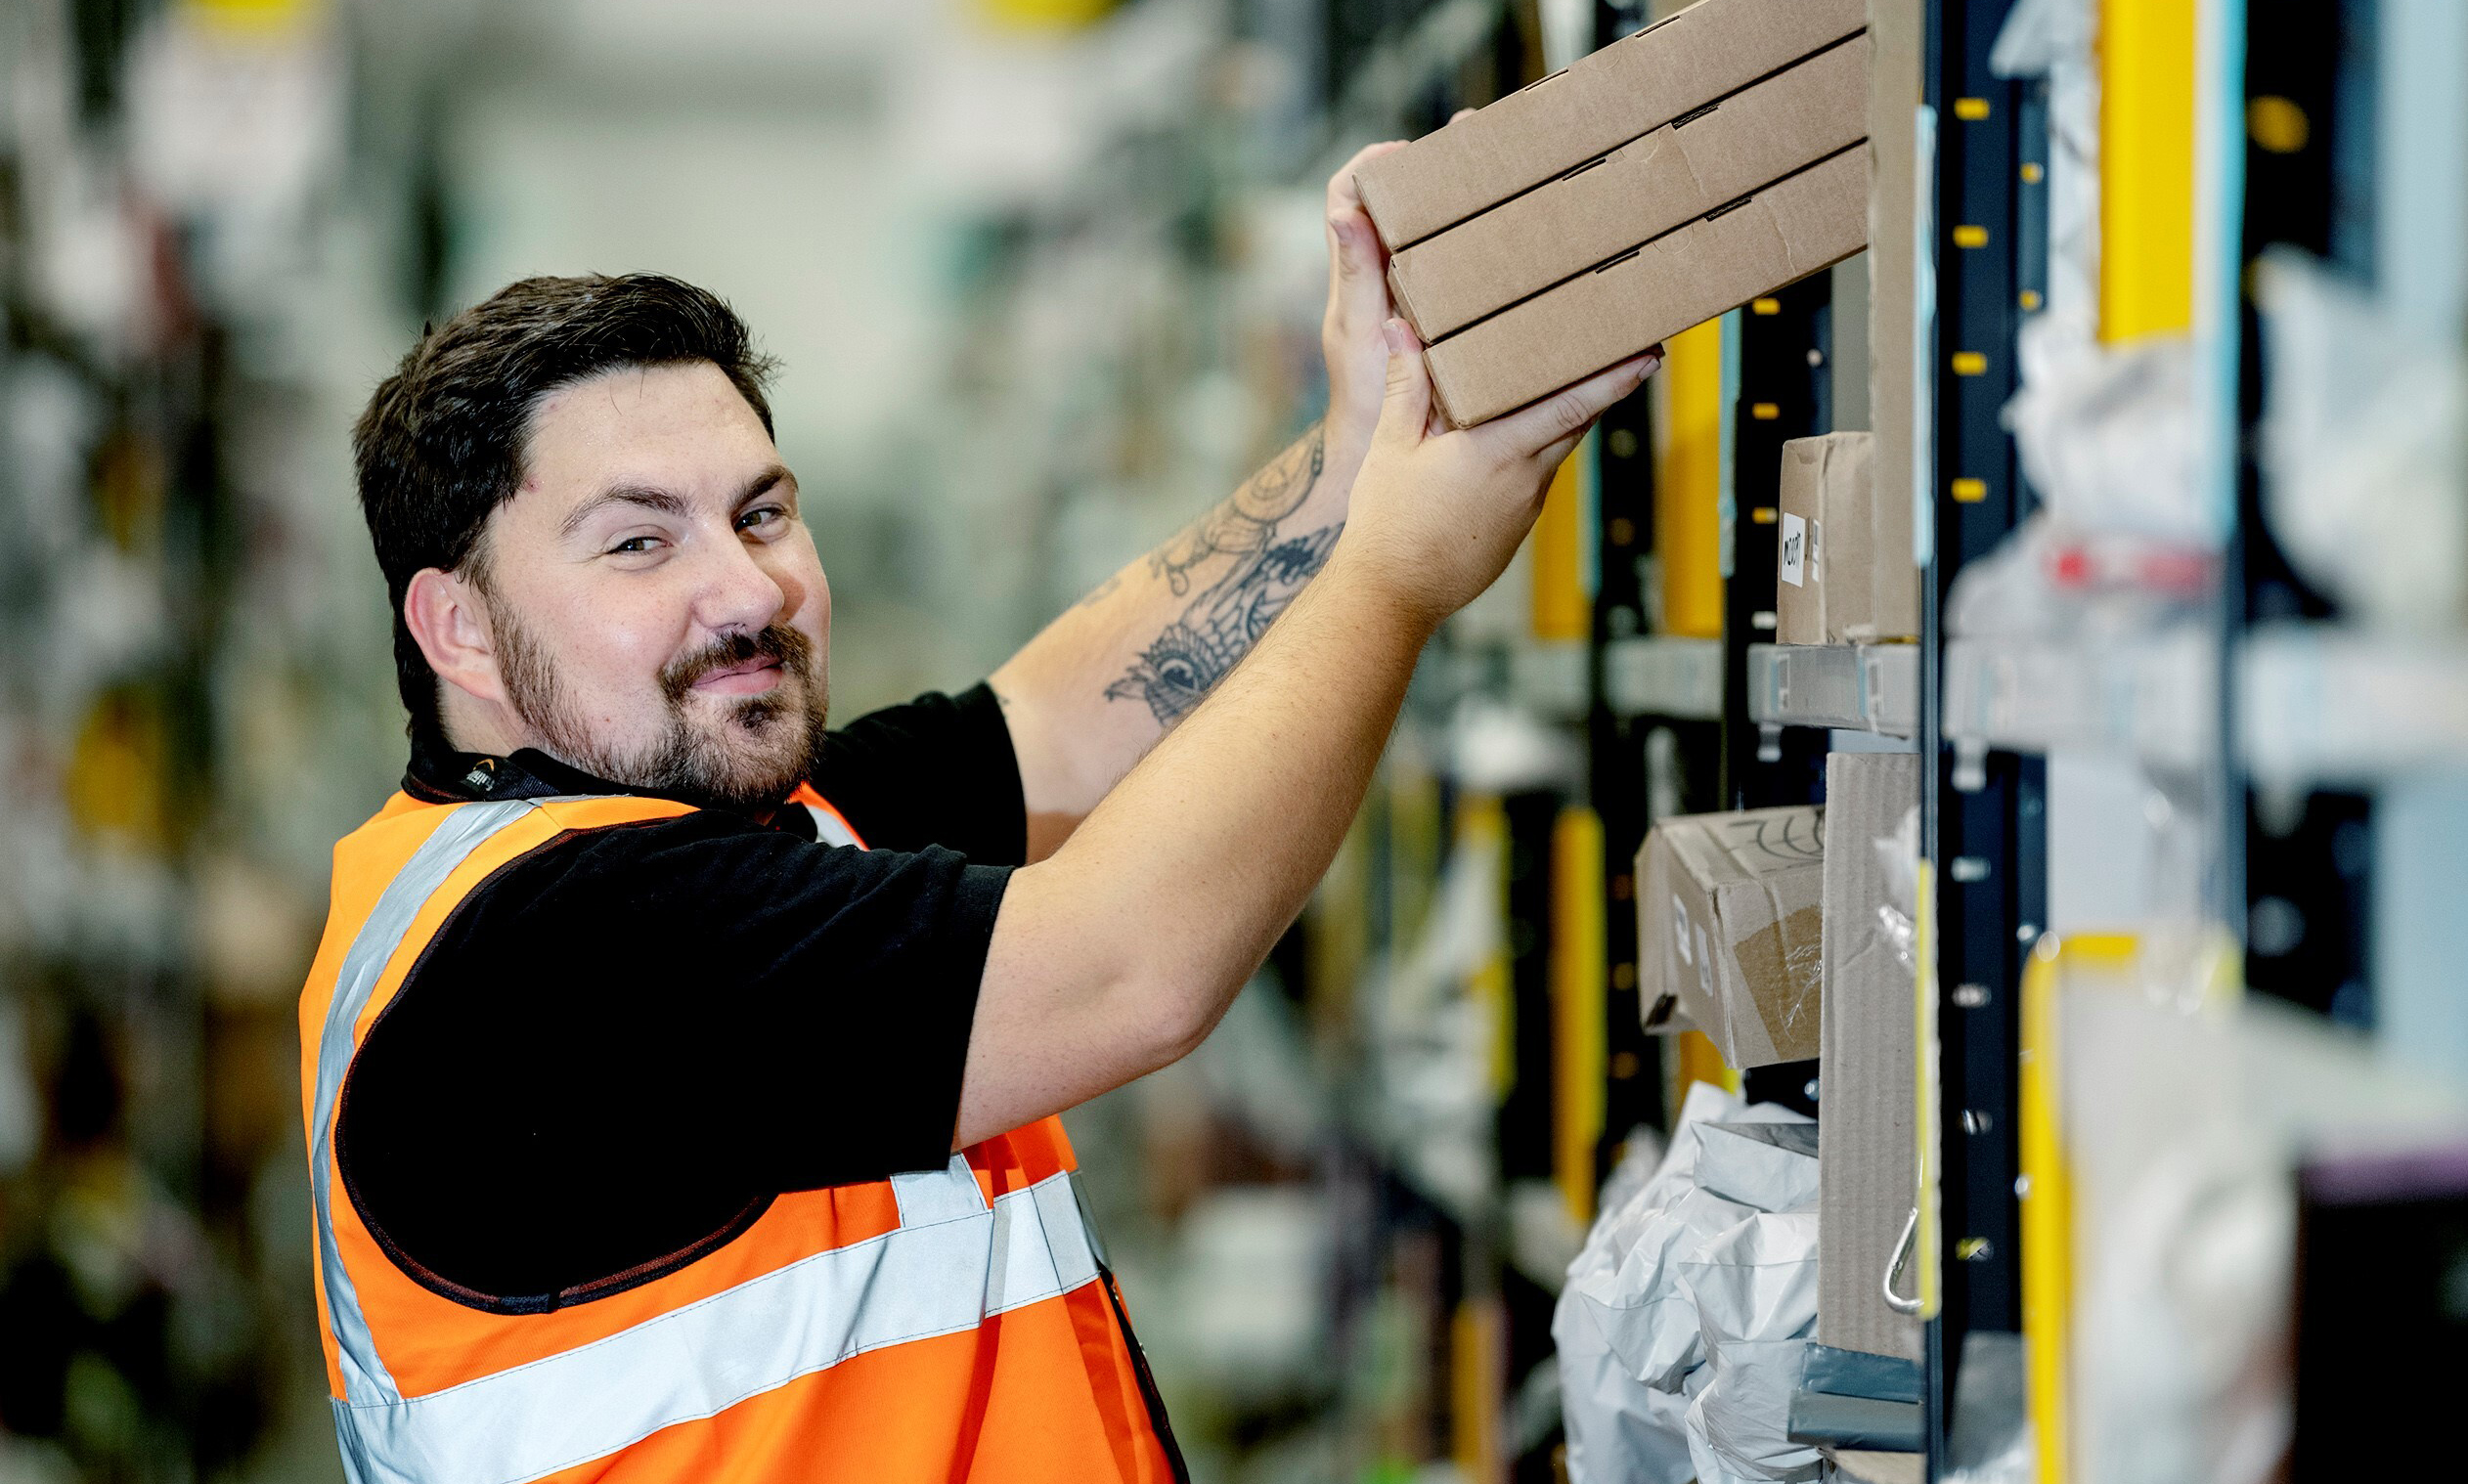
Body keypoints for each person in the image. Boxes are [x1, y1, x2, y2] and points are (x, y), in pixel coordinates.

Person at [299, 144, 1659, 1484]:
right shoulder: (550, 954)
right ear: (458, 627)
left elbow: (1060, 721)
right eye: (640, 541)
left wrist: (1349, 466)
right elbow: (1131, 970)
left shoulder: (731, 824)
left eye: (761, 513)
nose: (748, 590)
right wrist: (1394, 576)